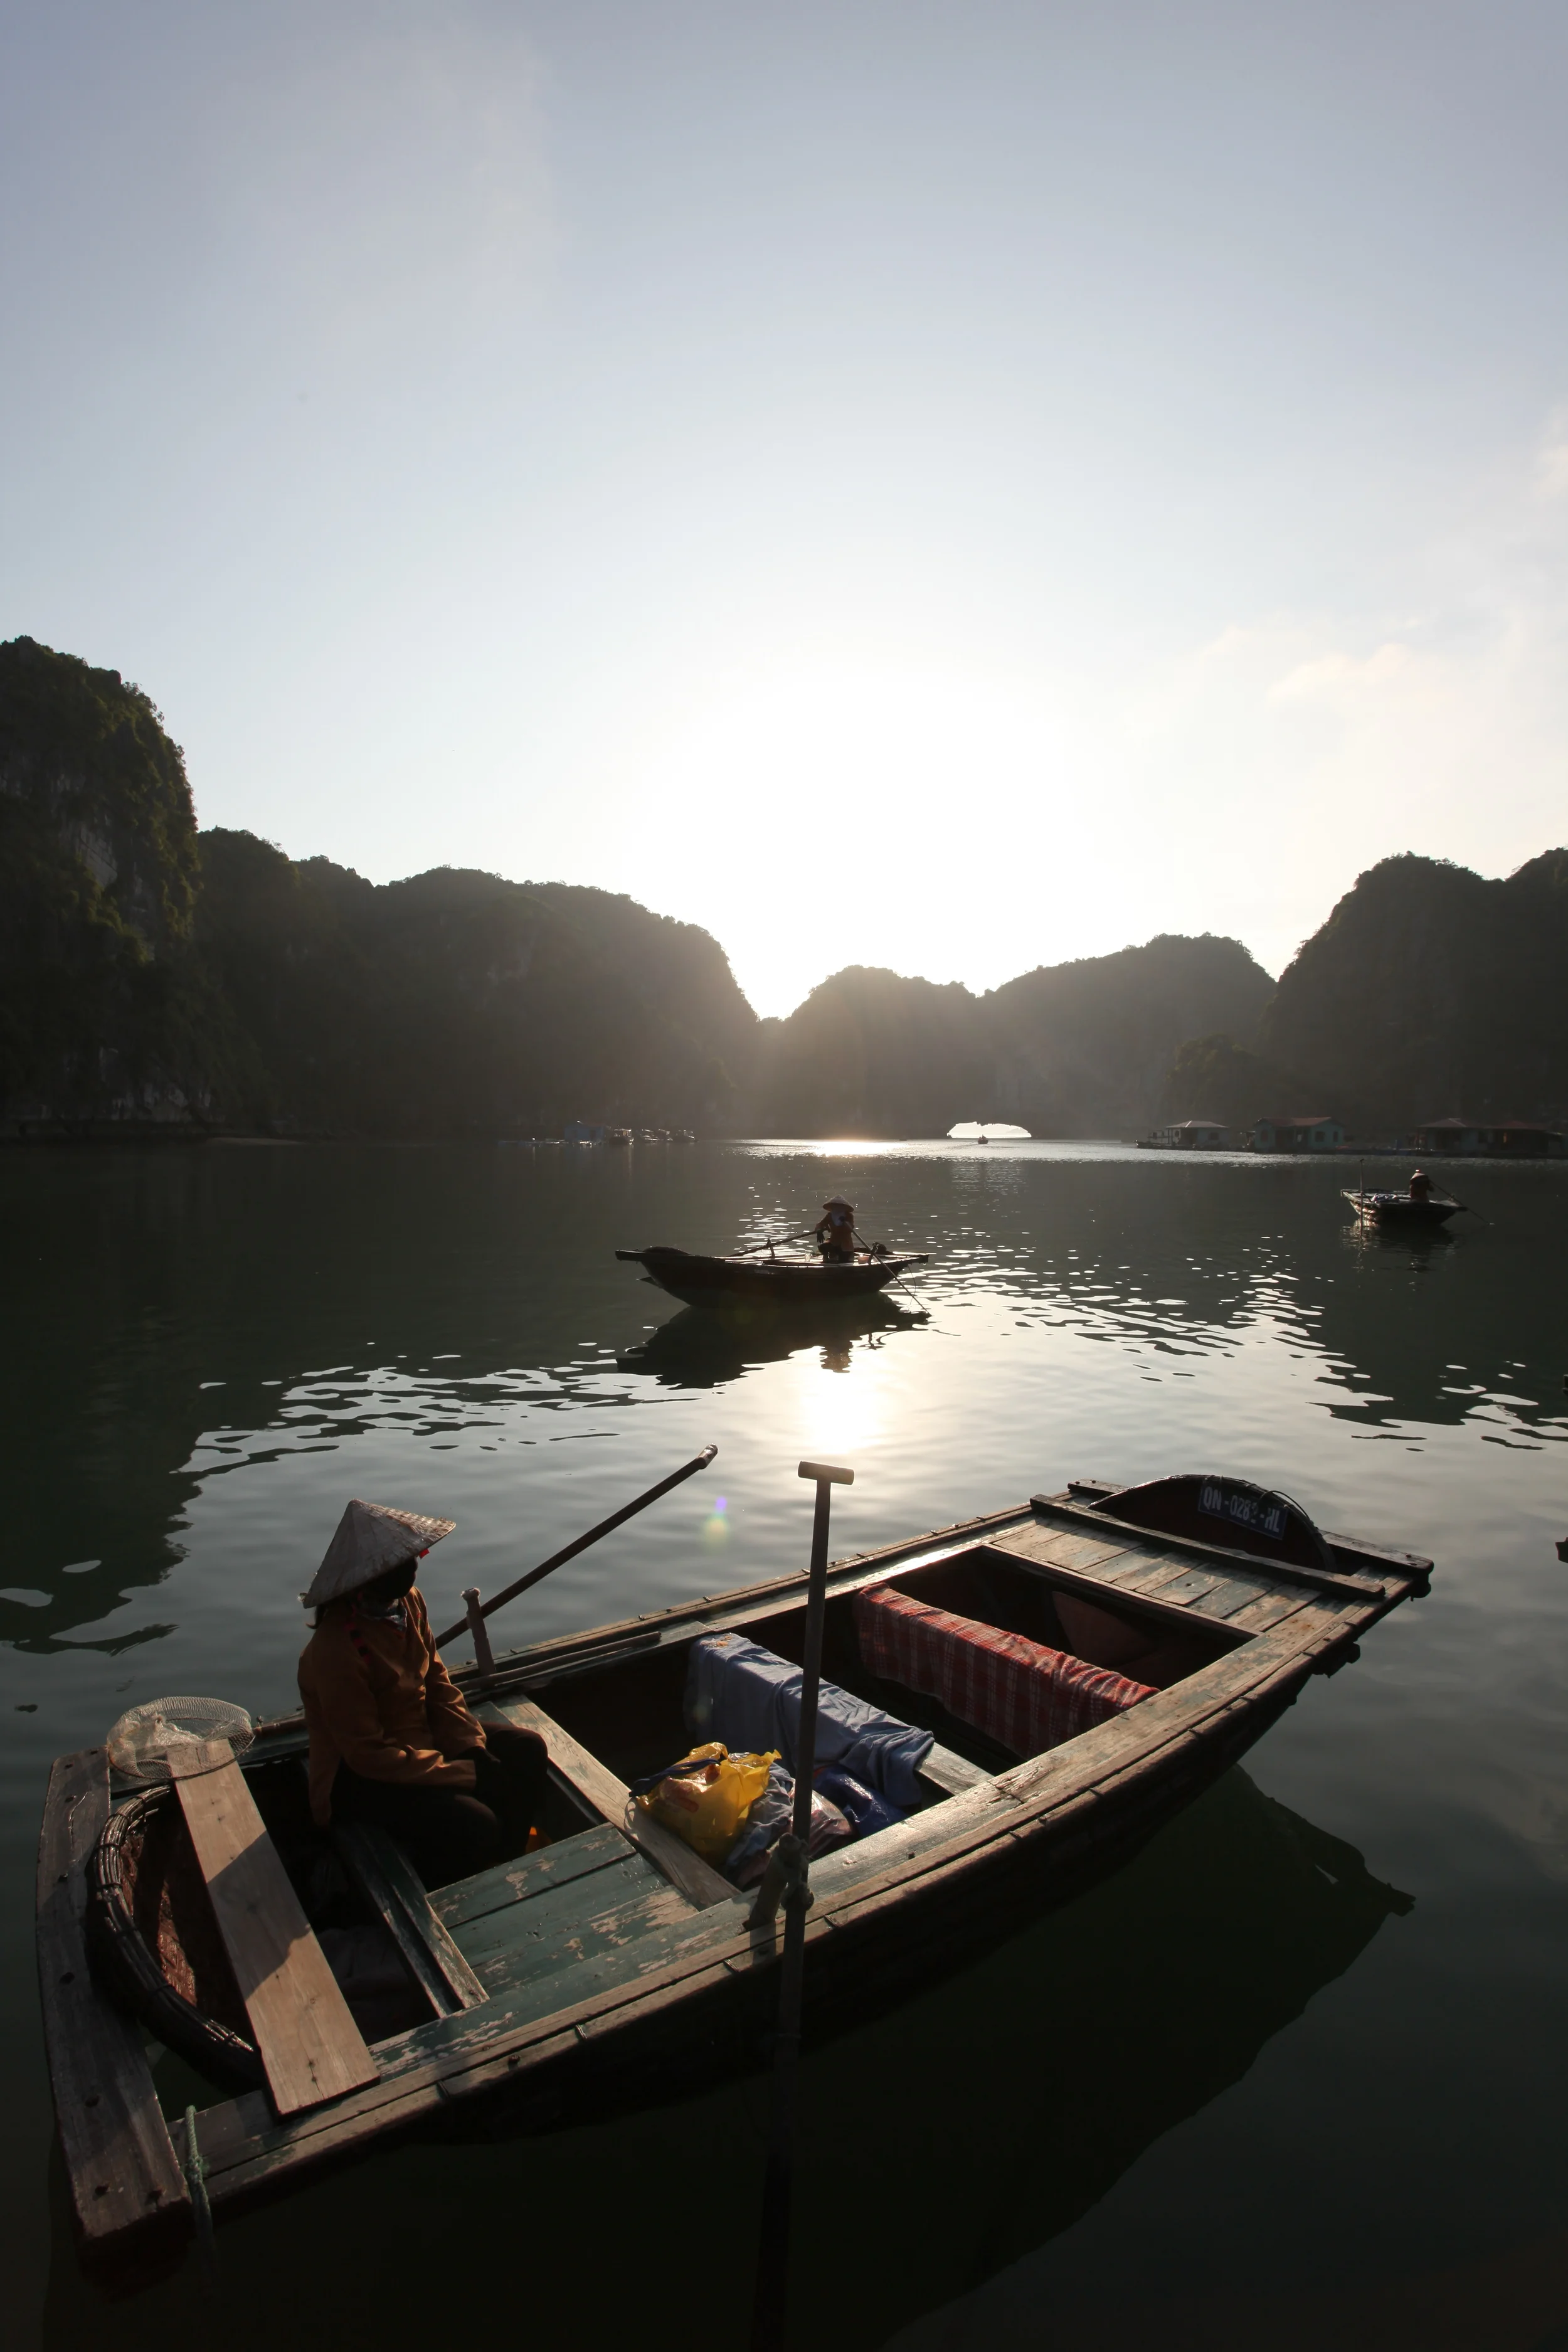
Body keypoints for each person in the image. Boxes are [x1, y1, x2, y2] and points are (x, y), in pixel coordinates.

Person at [297, 1499, 549, 1888]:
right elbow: (368, 1756)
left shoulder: (409, 1603)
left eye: (412, 1559)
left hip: (420, 1739)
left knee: (527, 1749)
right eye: (398, 1565)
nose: (411, 1569)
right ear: (368, 1578)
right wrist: (463, 1774)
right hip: (360, 1777)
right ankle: (449, 1893)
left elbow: (436, 1682)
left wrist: (471, 1748)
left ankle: (504, 1866)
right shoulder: (334, 1650)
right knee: (475, 1823)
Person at [814, 1194, 857, 1263]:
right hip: (834, 1241)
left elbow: (850, 1228)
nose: (837, 1207)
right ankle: (826, 1259)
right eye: (835, 1205)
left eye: (839, 1206)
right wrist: (819, 1230)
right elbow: (821, 1224)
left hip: (846, 1244)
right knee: (823, 1247)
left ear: (843, 1207)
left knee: (844, 1261)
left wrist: (845, 1222)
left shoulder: (849, 1216)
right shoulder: (830, 1215)